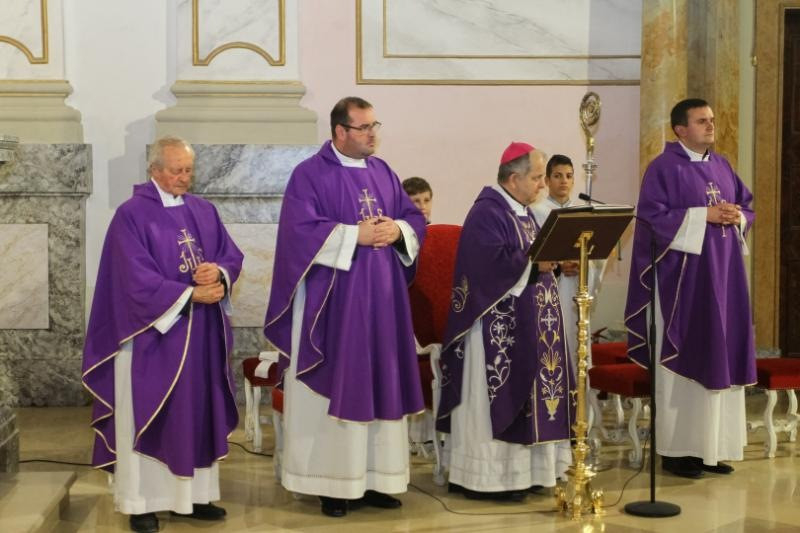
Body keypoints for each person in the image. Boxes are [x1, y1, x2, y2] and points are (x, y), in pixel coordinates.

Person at [263, 96, 427, 518]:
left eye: (375, 126)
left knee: (379, 382)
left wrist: (398, 230)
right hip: (334, 307)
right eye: (364, 127)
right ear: (340, 131)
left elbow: (413, 219)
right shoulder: (310, 175)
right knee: (338, 383)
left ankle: (376, 479)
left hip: (383, 305)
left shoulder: (383, 172)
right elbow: (299, 233)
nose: (372, 134)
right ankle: (332, 484)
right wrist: (355, 235)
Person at [82, 136, 243, 533]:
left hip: (200, 336)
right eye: (176, 170)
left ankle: (194, 498)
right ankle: (142, 503)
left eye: (188, 170)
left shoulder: (204, 211)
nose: (184, 178)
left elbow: (230, 255)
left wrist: (219, 273)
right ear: (154, 170)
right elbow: (132, 280)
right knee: (152, 415)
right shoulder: (131, 215)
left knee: (196, 412)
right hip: (153, 339)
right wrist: (189, 294)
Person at [624, 98, 755, 479]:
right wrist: (704, 215)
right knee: (687, 358)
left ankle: (712, 449)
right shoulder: (663, 168)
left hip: (724, 280)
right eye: (702, 121)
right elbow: (651, 219)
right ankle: (678, 451)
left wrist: (736, 216)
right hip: (683, 285)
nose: (711, 125)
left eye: (711, 120)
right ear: (680, 129)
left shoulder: (722, 165)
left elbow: (746, 206)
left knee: (721, 355)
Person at [436, 142, 574, 501]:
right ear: (514, 179)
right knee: (495, 401)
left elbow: (533, 258)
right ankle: (489, 479)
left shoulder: (524, 212)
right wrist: (535, 264)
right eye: (537, 177)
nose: (543, 184)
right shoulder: (487, 212)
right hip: (496, 331)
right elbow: (487, 265)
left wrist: (555, 262)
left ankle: (531, 473)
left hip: (532, 324)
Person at [531, 154, 605, 372]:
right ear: (547, 180)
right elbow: (533, 256)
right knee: (553, 346)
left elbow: (596, 255)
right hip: (551, 290)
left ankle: (579, 392)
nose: (564, 181)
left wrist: (585, 264)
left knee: (577, 343)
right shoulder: (536, 212)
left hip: (577, 288)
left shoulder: (583, 213)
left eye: (569, 176)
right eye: (557, 176)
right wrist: (559, 265)